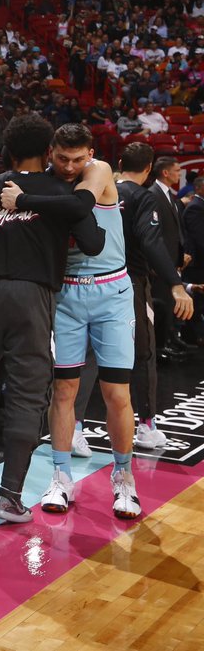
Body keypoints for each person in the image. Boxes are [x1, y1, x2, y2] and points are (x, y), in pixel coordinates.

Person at [0, 114, 104, 524]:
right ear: (49, 151)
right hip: (34, 297)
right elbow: (93, 243)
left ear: (7, 151)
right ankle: (9, 494)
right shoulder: (62, 192)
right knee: (27, 396)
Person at [0, 124, 139, 518]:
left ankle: (124, 477)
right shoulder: (48, 183)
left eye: (78, 158)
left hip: (112, 292)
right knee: (64, 390)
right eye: (62, 158)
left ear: (89, 153)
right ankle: (61, 476)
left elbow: (79, 206)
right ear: (50, 152)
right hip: (66, 294)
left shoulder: (100, 170)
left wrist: (24, 199)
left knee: (117, 393)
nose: (70, 166)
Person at [111, 142, 194, 453]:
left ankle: (75, 428)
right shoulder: (143, 197)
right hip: (131, 283)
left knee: (89, 357)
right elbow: (151, 241)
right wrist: (175, 283)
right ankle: (146, 426)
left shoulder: (97, 192)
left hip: (92, 282)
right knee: (143, 354)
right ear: (148, 169)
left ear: (120, 163)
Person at [148, 156, 187, 358]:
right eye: (177, 170)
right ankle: (158, 347)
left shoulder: (168, 194)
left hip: (171, 260)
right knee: (161, 304)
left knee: (169, 303)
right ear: (165, 172)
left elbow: (174, 231)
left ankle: (167, 340)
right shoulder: (153, 194)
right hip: (160, 262)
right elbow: (155, 233)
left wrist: (181, 254)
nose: (179, 174)